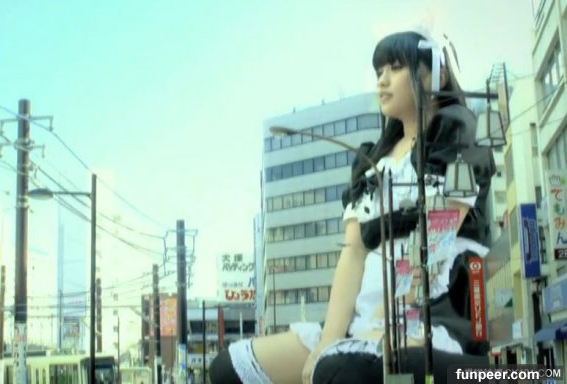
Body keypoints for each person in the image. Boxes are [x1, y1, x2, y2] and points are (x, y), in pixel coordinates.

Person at [208, 28, 496, 384]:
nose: (382, 80)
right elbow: (353, 254)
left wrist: (389, 319)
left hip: (428, 314)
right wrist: (327, 341)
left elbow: (437, 234)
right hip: (364, 319)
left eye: (395, 67)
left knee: (342, 368)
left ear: (432, 74)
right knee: (229, 370)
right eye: (379, 71)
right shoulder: (373, 160)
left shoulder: (457, 133)